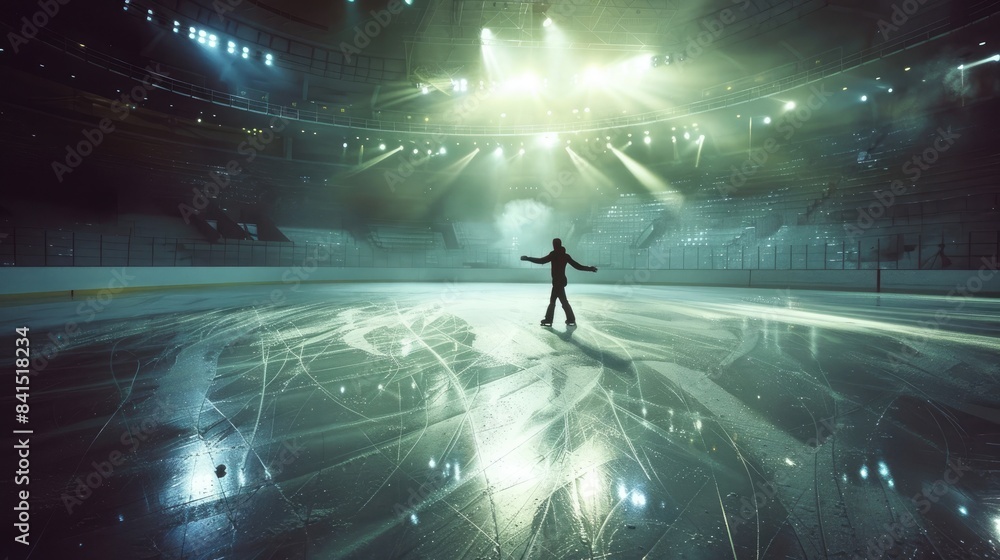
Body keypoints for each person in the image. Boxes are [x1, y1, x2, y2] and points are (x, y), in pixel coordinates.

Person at [521, 238, 598, 326]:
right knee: (562, 301)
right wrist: (589, 268)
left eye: (554, 244)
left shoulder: (554, 254)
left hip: (557, 282)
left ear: (555, 245)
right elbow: (577, 266)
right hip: (561, 281)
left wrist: (528, 258)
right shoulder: (565, 256)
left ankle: (550, 319)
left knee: (554, 301)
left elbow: (541, 260)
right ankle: (569, 319)